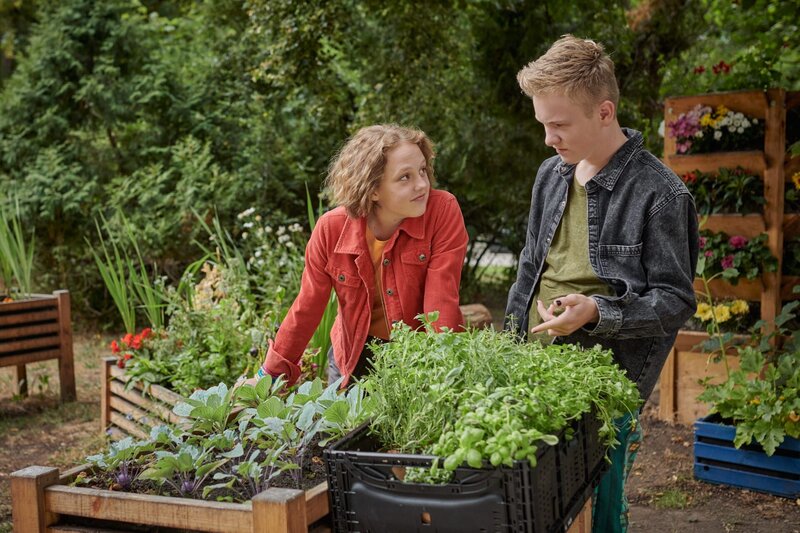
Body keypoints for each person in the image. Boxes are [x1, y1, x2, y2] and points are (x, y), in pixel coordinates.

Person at [505, 35, 698, 532]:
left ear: (605, 112)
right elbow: (530, 266)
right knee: (534, 505)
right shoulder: (550, 175)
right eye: (543, 124)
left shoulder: (662, 194)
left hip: (605, 383)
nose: (548, 138)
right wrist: (508, 350)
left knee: (600, 511)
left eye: (559, 124)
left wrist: (596, 311)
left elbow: (675, 300)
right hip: (532, 369)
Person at [249, 124, 468, 387]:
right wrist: (267, 377)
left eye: (422, 170)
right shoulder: (331, 230)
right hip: (352, 354)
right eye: (405, 177)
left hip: (416, 353)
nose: (422, 184)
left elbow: (440, 304)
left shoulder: (442, 211)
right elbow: (307, 307)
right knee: (341, 416)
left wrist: (445, 376)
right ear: (373, 189)